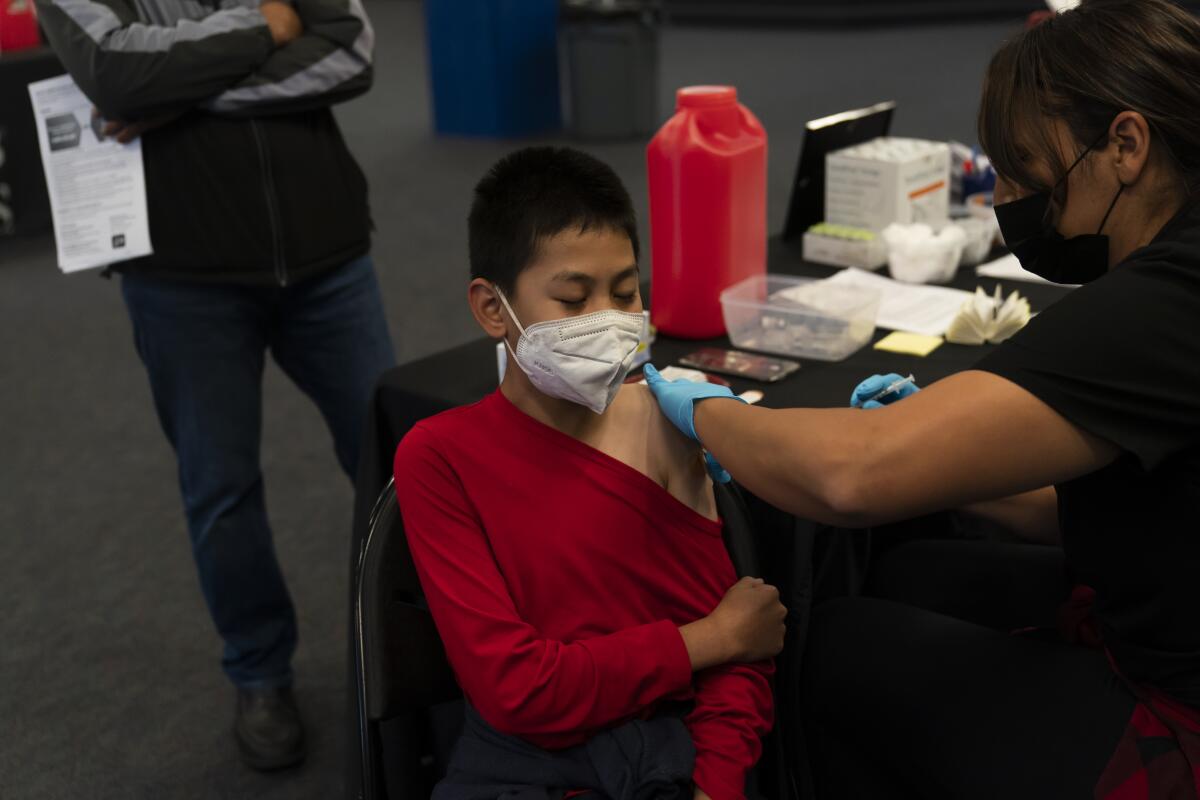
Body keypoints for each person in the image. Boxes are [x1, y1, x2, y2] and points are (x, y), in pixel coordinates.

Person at [643, 1, 1200, 796]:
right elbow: (1129, 497)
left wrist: (708, 411)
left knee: (834, 645)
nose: (1008, 197)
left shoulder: (1164, 303)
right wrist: (969, 465)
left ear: (1127, 144)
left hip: (1179, 719)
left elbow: (851, 478)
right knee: (914, 575)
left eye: (1026, 169)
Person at [36, 0, 395, 770]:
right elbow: (113, 73)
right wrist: (267, 27)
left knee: (397, 462)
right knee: (220, 489)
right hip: (182, 281)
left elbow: (353, 49)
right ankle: (260, 673)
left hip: (328, 257)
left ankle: (438, 637)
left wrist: (176, 95)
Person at [392, 147, 784, 800]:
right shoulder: (440, 457)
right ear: (494, 309)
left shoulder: (663, 425)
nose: (607, 319)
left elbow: (742, 658)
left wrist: (713, 785)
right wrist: (705, 639)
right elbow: (517, 690)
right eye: (574, 299)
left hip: (672, 756)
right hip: (520, 768)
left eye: (626, 292)